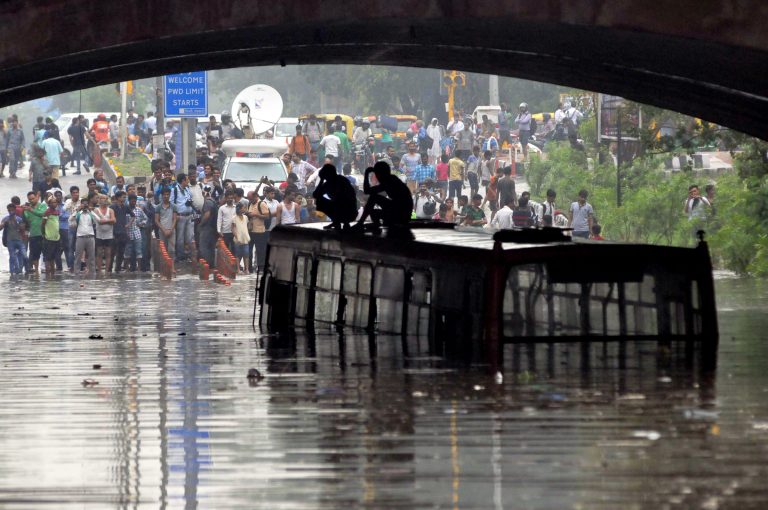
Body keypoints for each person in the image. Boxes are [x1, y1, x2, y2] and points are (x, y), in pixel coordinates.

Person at [354, 161, 413, 235]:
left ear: (381, 174)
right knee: (374, 207)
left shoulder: (389, 181)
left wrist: (366, 174)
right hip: (401, 213)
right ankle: (370, 224)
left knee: (374, 198)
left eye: (377, 174)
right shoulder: (391, 179)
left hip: (401, 215)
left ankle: (361, 223)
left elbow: (367, 191)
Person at [311, 164, 358, 230]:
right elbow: (315, 195)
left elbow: (340, 200)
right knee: (320, 200)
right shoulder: (336, 180)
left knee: (320, 201)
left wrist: (322, 180)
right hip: (350, 212)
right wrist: (321, 180)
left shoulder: (337, 182)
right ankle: (338, 222)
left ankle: (338, 221)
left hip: (348, 212)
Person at [171, 173, 196, 262]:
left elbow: (189, 199)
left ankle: (188, 255)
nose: (188, 181)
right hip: (180, 216)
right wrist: (175, 215)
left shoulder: (187, 189)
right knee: (180, 238)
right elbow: (172, 203)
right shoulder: (175, 190)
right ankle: (180, 256)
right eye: (187, 179)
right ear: (183, 181)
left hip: (189, 215)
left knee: (189, 237)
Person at [23, 191, 47, 273]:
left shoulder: (43, 205)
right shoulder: (27, 208)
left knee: (47, 254)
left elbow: (43, 214)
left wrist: (31, 210)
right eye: (30, 199)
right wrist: (22, 211)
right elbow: (26, 219)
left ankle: (47, 270)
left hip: (43, 234)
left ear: (37, 197)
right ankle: (36, 271)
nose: (31, 200)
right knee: (35, 255)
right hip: (33, 234)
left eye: (33, 198)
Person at [73, 198, 97, 273]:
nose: (85, 205)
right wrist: (77, 211)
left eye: (87, 203)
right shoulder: (78, 214)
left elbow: (98, 220)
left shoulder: (91, 213)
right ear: (81, 204)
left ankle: (93, 273)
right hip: (80, 237)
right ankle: (76, 273)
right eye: (84, 203)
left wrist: (91, 211)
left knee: (92, 257)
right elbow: (70, 220)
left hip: (90, 237)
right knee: (78, 257)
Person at [1, 203, 26, 274]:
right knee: (12, 256)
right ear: (8, 211)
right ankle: (12, 272)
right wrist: (3, 224)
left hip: (19, 240)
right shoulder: (5, 219)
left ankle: (19, 270)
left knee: (22, 256)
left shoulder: (19, 219)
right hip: (10, 241)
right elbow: (0, 228)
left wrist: (18, 223)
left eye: (12, 210)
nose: (10, 212)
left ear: (15, 210)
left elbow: (23, 229)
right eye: (9, 210)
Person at [198, 185, 219, 268]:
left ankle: (206, 266)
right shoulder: (213, 201)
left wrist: (201, 224)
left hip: (207, 228)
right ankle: (211, 266)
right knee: (211, 248)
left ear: (203, 192)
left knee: (204, 247)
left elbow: (207, 215)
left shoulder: (207, 202)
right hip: (213, 229)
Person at [40, 197, 61, 276]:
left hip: (56, 238)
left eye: (55, 202)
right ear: (49, 204)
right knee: (47, 258)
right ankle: (48, 275)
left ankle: (52, 274)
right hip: (48, 238)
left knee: (53, 257)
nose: (54, 204)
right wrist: (43, 234)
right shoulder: (47, 212)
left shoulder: (57, 212)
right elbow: (42, 224)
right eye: (52, 202)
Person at [155, 188, 177, 261]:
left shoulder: (174, 206)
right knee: (162, 249)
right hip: (162, 231)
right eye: (164, 194)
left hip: (171, 230)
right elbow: (156, 220)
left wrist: (171, 230)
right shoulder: (158, 207)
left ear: (170, 195)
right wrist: (164, 230)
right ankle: (164, 267)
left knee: (172, 250)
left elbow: (174, 219)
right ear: (162, 195)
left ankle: (172, 267)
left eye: (168, 194)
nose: (166, 196)